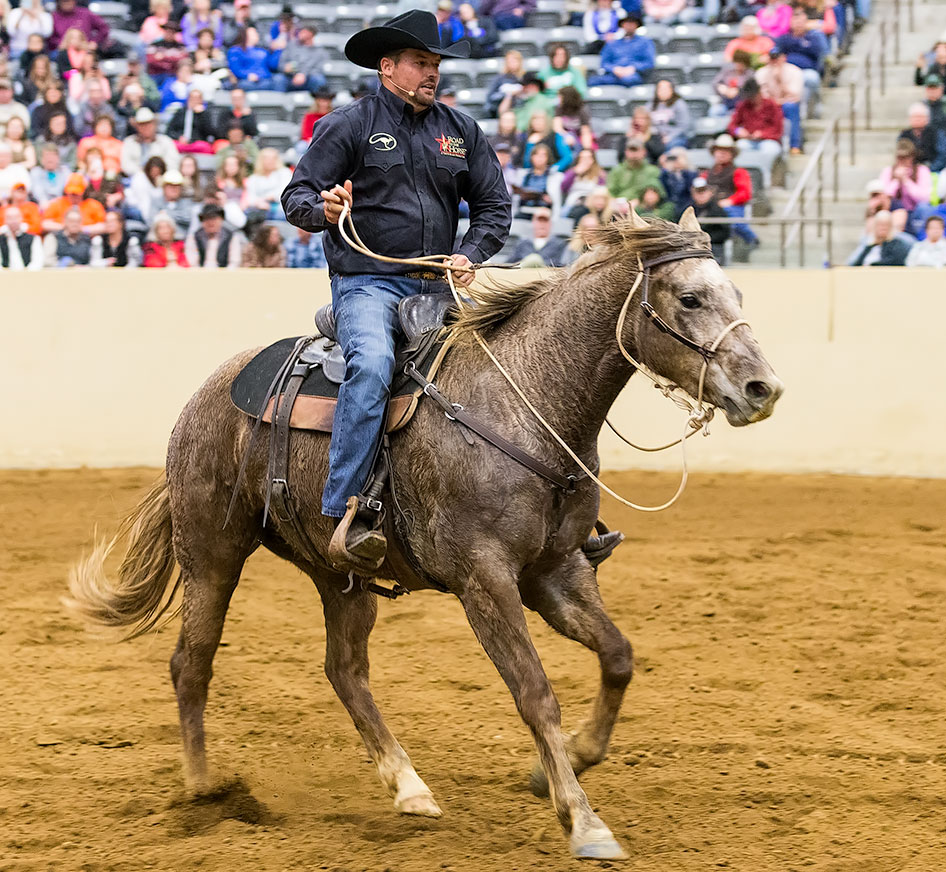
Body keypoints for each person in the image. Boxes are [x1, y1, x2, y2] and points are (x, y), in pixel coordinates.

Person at [281, 9, 511, 569]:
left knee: (511, 366)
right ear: (388, 68)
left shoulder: (461, 131)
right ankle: (344, 510)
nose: (431, 73)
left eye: (435, 64)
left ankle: (549, 513)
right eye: (420, 63)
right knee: (374, 364)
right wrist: (324, 209)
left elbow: (493, 208)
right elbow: (296, 199)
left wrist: (471, 253)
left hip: (438, 284)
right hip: (367, 282)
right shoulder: (349, 125)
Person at [703, 133, 757, 245]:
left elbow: (745, 193)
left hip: (731, 207)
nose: (722, 153)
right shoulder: (706, 174)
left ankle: (752, 241)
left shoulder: (739, 172)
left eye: (726, 150)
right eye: (719, 150)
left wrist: (730, 201)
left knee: (735, 221)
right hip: (710, 206)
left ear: (732, 154)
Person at [756, 48, 804, 154]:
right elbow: (761, 96)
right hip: (769, 105)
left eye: (777, 58)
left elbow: (795, 96)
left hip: (786, 104)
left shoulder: (794, 71)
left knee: (790, 107)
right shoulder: (761, 72)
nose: (775, 61)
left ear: (783, 58)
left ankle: (794, 145)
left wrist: (780, 80)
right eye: (772, 58)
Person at [727, 78, 783, 165]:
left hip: (768, 140)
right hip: (749, 140)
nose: (751, 99)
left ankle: (766, 176)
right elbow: (731, 125)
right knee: (740, 147)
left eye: (753, 96)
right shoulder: (743, 106)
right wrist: (738, 131)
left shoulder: (771, 105)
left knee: (770, 150)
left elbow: (778, 129)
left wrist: (763, 134)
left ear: (759, 93)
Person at [588, 14, 655, 87]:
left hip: (634, 75)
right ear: (622, 25)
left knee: (629, 80)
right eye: (627, 23)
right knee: (593, 81)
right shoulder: (612, 44)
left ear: (637, 25)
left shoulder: (645, 42)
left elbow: (649, 62)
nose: (629, 26)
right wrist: (614, 69)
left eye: (632, 23)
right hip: (613, 74)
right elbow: (604, 62)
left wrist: (633, 68)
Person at [775, 6, 828, 93]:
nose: (798, 24)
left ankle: (811, 106)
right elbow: (778, 53)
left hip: (807, 71)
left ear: (806, 23)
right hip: (787, 71)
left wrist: (796, 45)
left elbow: (816, 54)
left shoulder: (813, 37)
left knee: (811, 79)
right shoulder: (784, 38)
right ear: (791, 23)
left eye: (801, 22)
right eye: (796, 21)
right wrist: (801, 45)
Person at [41, 171, 107, 235]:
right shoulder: (57, 203)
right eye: (71, 193)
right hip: (61, 238)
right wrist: (64, 227)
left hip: (87, 239)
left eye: (76, 193)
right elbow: (45, 224)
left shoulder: (93, 205)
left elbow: (103, 226)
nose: (73, 195)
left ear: (84, 191)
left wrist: (83, 229)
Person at [121, 107, 180, 176]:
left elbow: (173, 164)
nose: (146, 127)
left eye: (149, 124)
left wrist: (158, 171)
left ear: (154, 124)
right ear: (136, 126)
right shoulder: (129, 142)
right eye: (142, 125)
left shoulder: (165, 141)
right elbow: (125, 165)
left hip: (161, 179)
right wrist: (143, 172)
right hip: (135, 178)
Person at [683, 177, 730, 263]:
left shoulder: (718, 210)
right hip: (691, 247)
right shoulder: (686, 209)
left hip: (713, 248)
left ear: (710, 192)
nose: (701, 194)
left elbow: (725, 232)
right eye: (698, 191)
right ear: (693, 193)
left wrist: (705, 238)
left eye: (703, 191)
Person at [275, 21, 329, 93]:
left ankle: (317, 102)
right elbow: (281, 64)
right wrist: (285, 68)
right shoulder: (291, 45)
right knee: (278, 79)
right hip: (291, 78)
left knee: (319, 79)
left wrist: (303, 74)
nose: (299, 33)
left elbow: (319, 69)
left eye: (303, 31)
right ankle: (279, 102)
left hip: (308, 80)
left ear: (311, 34)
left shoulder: (320, 51)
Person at [606, 138, 664, 204]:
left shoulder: (653, 171)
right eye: (631, 150)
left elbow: (656, 193)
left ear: (644, 152)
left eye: (637, 150)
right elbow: (610, 191)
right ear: (626, 152)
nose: (634, 154)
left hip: (642, 205)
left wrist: (637, 202)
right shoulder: (617, 170)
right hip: (618, 203)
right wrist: (616, 203)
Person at [185, 201, 242, 268]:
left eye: (214, 218)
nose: (211, 222)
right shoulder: (194, 237)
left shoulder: (231, 237)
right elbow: (192, 263)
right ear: (202, 221)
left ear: (221, 219)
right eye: (207, 218)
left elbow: (234, 262)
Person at [847, 210, 912, 266]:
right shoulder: (868, 244)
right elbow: (854, 263)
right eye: (880, 225)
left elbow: (893, 262)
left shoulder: (897, 245)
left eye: (886, 225)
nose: (883, 228)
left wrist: (871, 265)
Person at [898, 104, 946, 172]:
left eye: (920, 117)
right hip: (909, 170)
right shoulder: (904, 135)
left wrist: (929, 169)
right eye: (914, 117)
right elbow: (900, 155)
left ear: (927, 119)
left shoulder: (936, 134)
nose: (917, 119)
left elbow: (943, 155)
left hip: (934, 170)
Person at [167, 88, 218, 153]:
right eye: (192, 98)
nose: (194, 101)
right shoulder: (180, 113)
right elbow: (169, 131)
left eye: (197, 98)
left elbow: (210, 132)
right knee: (170, 145)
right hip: (180, 143)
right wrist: (178, 137)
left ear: (201, 100)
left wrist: (201, 115)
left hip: (196, 143)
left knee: (205, 147)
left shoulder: (205, 114)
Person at [561, 147, 606, 216]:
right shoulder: (572, 172)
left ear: (593, 160)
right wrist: (574, 173)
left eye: (588, 158)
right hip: (573, 203)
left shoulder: (599, 174)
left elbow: (601, 192)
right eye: (582, 158)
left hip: (591, 205)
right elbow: (563, 188)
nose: (585, 161)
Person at [227, 27, 274, 91]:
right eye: (254, 33)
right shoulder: (236, 50)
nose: (257, 35)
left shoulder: (263, 51)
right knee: (245, 85)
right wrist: (247, 75)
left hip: (265, 79)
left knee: (274, 82)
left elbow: (273, 64)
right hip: (245, 80)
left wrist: (277, 49)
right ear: (246, 35)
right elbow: (235, 68)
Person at [650, 79, 691, 151]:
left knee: (671, 146)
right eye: (660, 88)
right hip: (656, 137)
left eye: (665, 88)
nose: (662, 91)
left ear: (672, 90)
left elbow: (684, 126)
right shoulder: (651, 105)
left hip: (675, 138)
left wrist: (670, 137)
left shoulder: (679, 104)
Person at [0, 205, 44, 270]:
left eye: (16, 217)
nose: (13, 221)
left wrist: (26, 274)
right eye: (10, 218)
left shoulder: (33, 238)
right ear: (5, 220)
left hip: (28, 276)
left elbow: (38, 261)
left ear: (21, 218)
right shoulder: (1, 239)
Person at [484, 49, 524, 118]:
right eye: (509, 61)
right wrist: (507, 93)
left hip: (521, 108)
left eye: (514, 61)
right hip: (502, 109)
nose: (512, 63)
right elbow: (491, 97)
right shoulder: (500, 78)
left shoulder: (525, 78)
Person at [713, 49, 754, 114]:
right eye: (737, 62)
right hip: (725, 102)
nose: (739, 65)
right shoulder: (727, 70)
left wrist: (738, 91)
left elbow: (752, 91)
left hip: (742, 104)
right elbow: (715, 83)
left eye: (742, 63)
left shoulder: (750, 74)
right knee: (715, 111)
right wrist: (722, 88)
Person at [659, 147, 698, 213]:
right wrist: (667, 168)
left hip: (687, 203)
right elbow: (664, 189)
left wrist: (683, 168)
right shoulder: (666, 175)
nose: (676, 161)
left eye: (678, 158)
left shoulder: (691, 174)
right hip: (671, 203)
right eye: (673, 158)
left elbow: (690, 188)